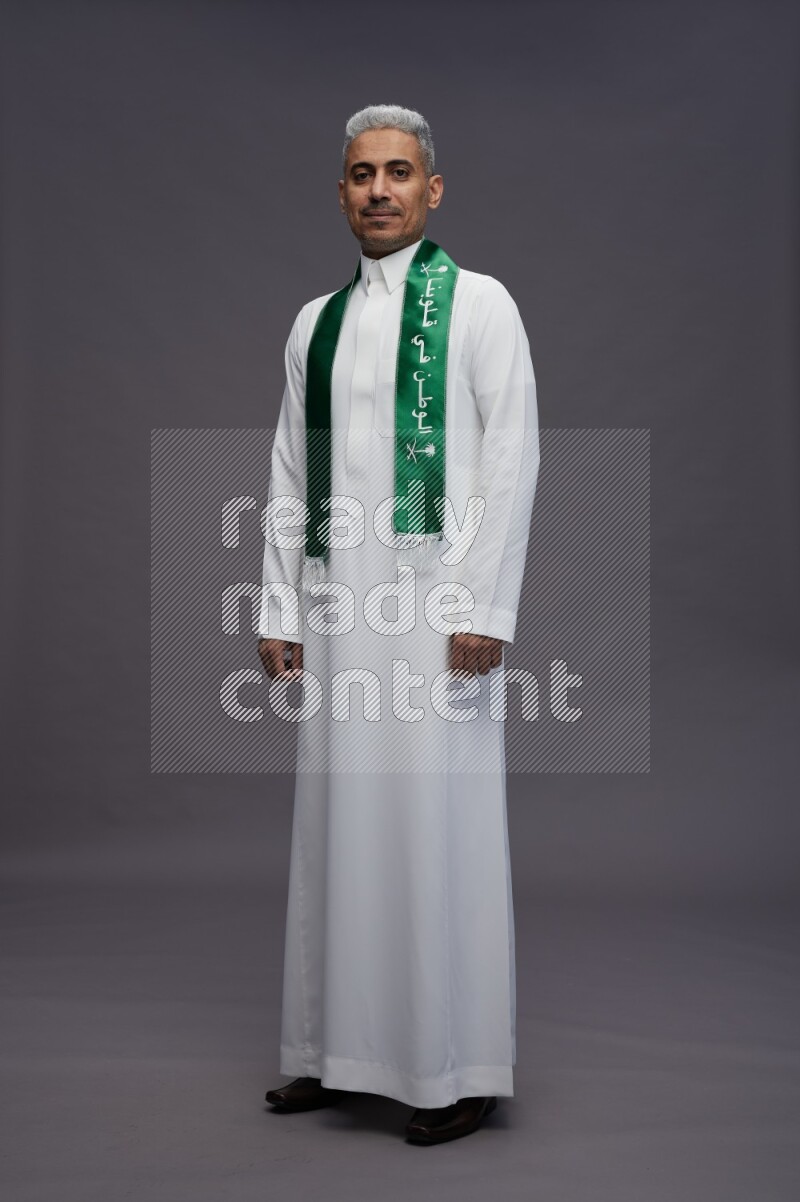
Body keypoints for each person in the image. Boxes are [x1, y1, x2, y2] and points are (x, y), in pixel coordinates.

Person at [257, 104, 540, 1145]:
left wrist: (481, 606)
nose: (378, 190)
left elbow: (512, 458)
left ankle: (458, 1063)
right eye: (360, 174)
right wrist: (279, 604)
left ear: (431, 190)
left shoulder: (478, 305)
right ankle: (330, 1050)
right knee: (337, 823)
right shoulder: (311, 323)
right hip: (341, 610)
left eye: (398, 173)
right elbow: (289, 469)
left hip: (434, 613)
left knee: (438, 826)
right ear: (340, 191)